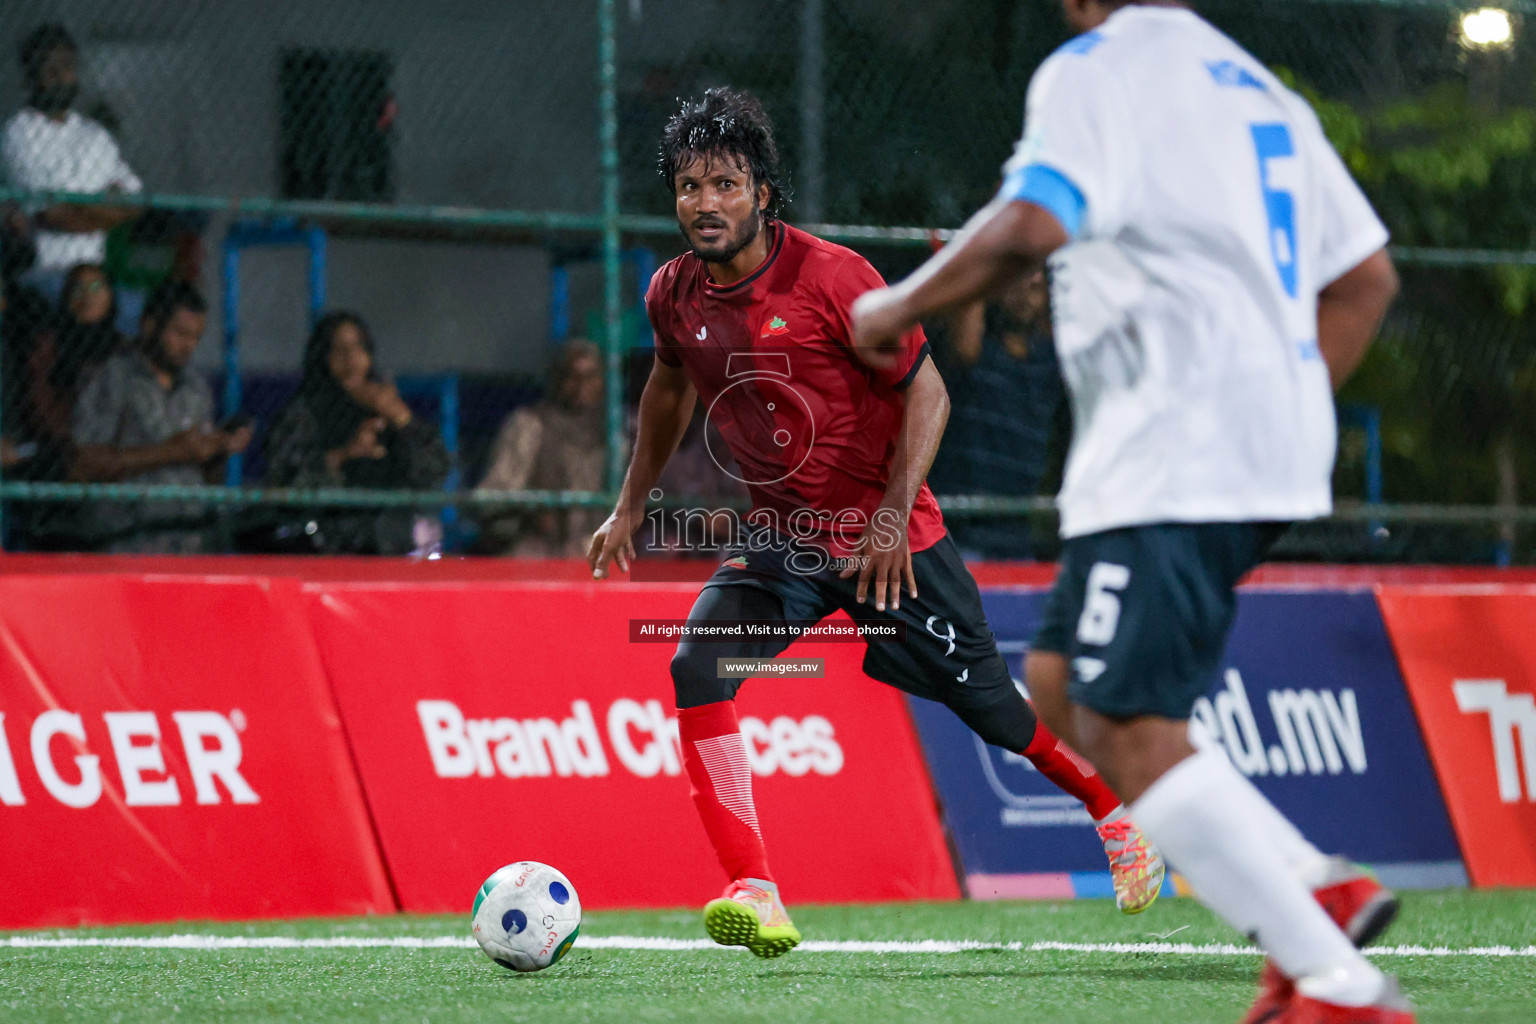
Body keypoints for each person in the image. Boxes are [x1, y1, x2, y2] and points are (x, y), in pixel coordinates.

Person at [850, 3, 1406, 1022]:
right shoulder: (1260, 90)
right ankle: (1312, 890)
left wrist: (892, 307)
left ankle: (1343, 985)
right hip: (1234, 446)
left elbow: (1032, 225)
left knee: (1123, 718)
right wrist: (1277, 408)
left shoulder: (1095, 71)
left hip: (1177, 447)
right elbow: (1366, 280)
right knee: (1062, 688)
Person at [586, 87, 1163, 960]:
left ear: (763, 194)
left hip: (888, 547)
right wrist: (631, 503)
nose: (706, 204)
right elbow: (668, 386)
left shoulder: (834, 279)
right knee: (697, 663)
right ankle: (757, 888)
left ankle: (1111, 809)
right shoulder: (672, 293)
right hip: (782, 548)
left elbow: (928, 391)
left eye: (726, 185)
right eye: (690, 187)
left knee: (997, 713)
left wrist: (891, 520)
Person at [70, 280, 251, 553]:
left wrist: (219, 448)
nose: (188, 346)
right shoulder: (113, 378)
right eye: (180, 333)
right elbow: (82, 465)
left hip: (188, 541)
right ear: (150, 325)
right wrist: (170, 452)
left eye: (195, 337)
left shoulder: (196, 389)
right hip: (127, 541)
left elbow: (205, 476)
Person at [262, 311, 450, 555]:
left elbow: (434, 473)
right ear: (322, 357)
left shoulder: (387, 410)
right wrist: (344, 454)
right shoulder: (302, 413)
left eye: (358, 347)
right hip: (324, 547)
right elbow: (283, 486)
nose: (350, 358)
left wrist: (401, 418)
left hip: (392, 545)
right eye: (338, 349)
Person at [928, 268, 1063, 559]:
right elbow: (966, 337)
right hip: (959, 537)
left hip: (1016, 538)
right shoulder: (976, 352)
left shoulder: (1046, 363)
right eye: (1017, 280)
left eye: (1036, 288)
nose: (1027, 292)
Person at [2, 24, 142, 300]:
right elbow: (54, 216)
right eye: (49, 67)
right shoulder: (19, 131)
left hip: (95, 275)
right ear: (31, 75)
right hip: (44, 275)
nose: (60, 76)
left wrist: (80, 209)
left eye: (67, 65)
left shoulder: (94, 134)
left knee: (139, 310)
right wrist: (104, 204)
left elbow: (135, 202)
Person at [475, 339, 606, 558]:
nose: (582, 385)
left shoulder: (613, 430)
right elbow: (493, 496)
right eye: (571, 376)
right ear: (557, 379)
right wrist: (531, 510)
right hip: (539, 546)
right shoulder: (529, 425)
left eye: (591, 376)